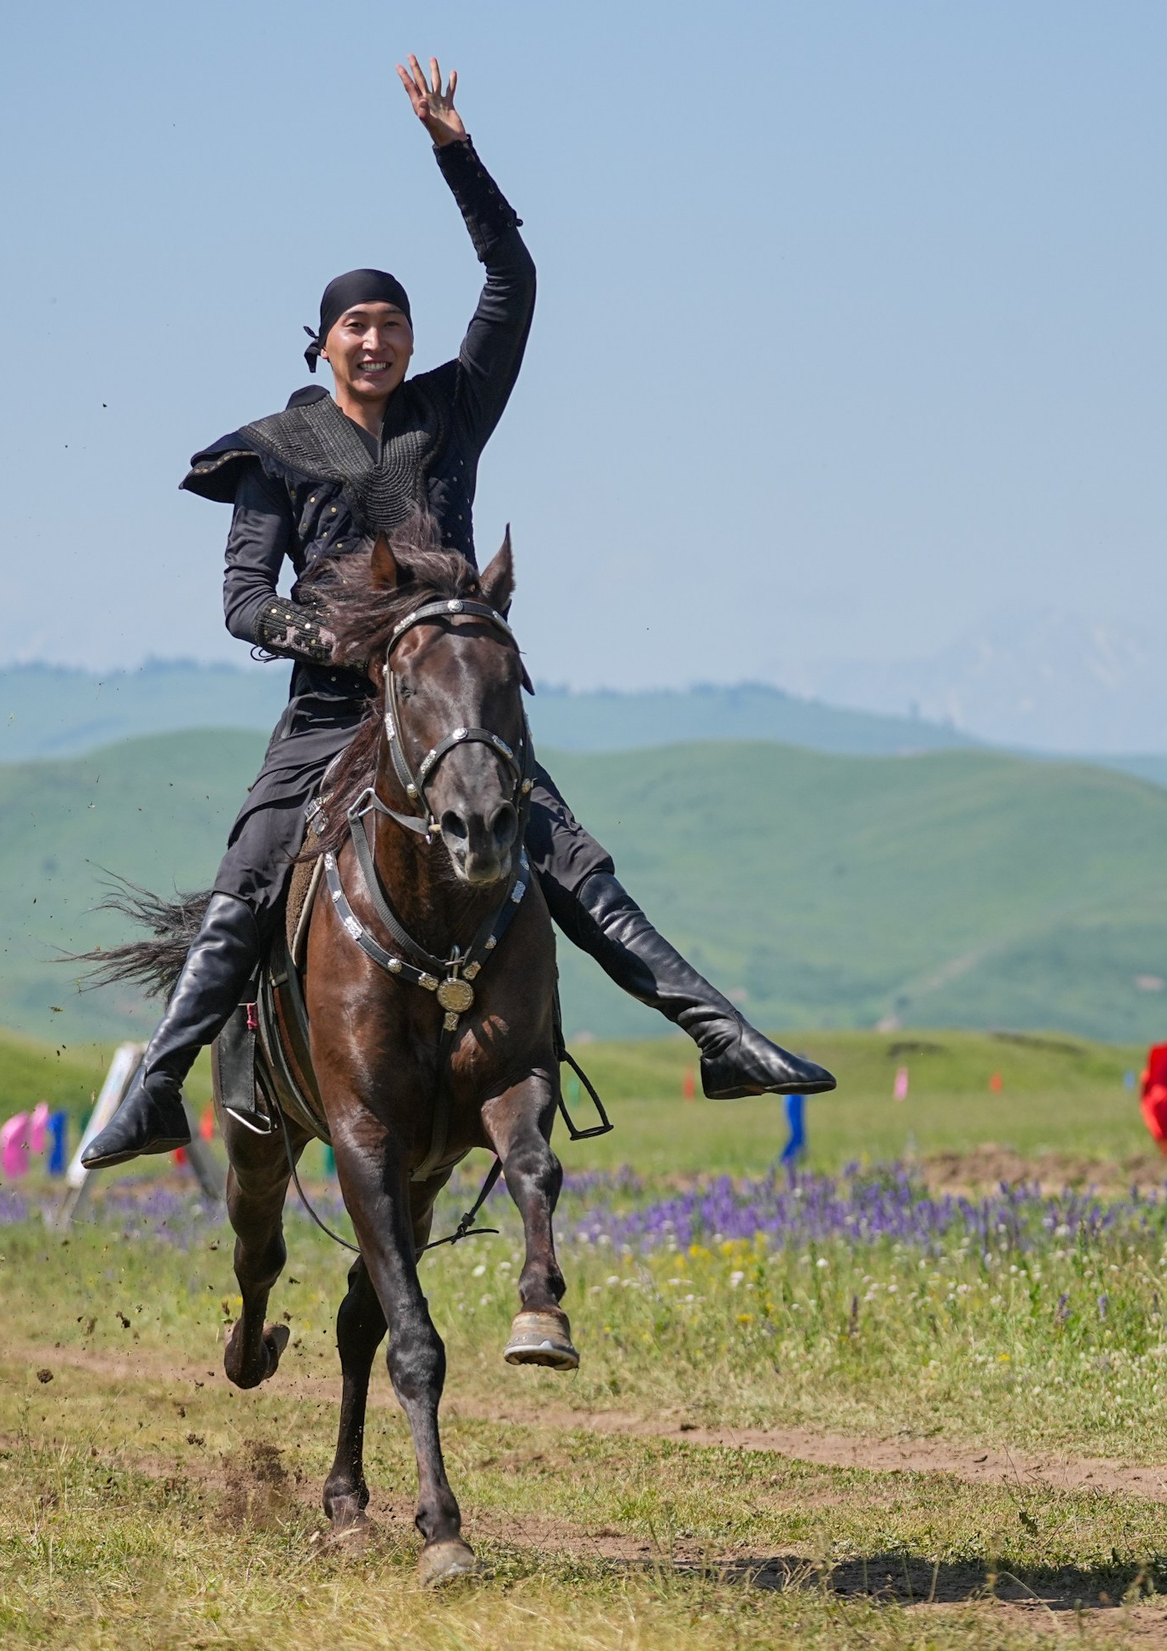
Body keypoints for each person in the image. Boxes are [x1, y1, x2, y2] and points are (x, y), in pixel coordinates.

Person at [82, 59, 832, 1169]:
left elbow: (514, 281)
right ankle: (155, 1090)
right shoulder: (273, 452)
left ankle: (717, 1034)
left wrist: (454, 153)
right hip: (336, 710)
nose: (377, 341)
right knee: (248, 872)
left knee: (569, 856)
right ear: (323, 343)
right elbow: (243, 603)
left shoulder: (450, 413)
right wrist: (343, 637)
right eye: (356, 328)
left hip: (452, 701)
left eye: (393, 324)